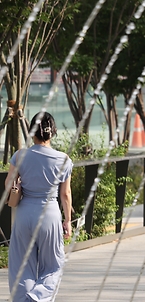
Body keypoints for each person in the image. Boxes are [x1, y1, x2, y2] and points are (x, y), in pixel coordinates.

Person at [6, 112, 73, 302]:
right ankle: (37, 297)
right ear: (52, 133)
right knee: (53, 265)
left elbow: (8, 186)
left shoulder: (19, 155)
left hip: (24, 212)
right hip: (49, 213)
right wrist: (67, 221)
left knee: (21, 265)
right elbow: (65, 195)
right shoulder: (63, 160)